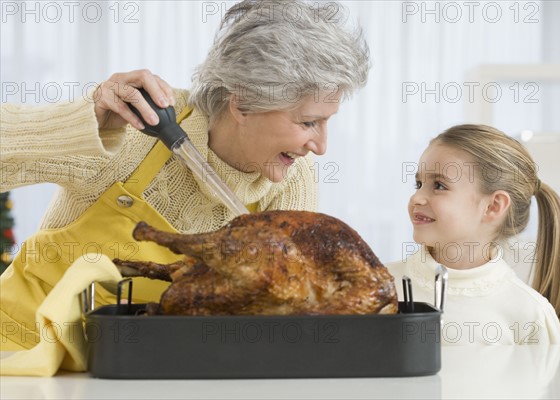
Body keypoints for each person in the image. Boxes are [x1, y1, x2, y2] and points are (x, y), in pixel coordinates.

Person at [0, 0, 369, 350]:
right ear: (242, 102)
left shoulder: (291, 174)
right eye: (308, 122)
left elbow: (287, 309)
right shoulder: (135, 125)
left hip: (141, 368)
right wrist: (85, 121)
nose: (320, 146)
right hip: (19, 351)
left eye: (325, 122)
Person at [387, 124, 560, 345]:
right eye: (419, 184)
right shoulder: (379, 287)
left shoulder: (528, 316)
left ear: (493, 207)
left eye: (439, 185)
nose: (416, 198)